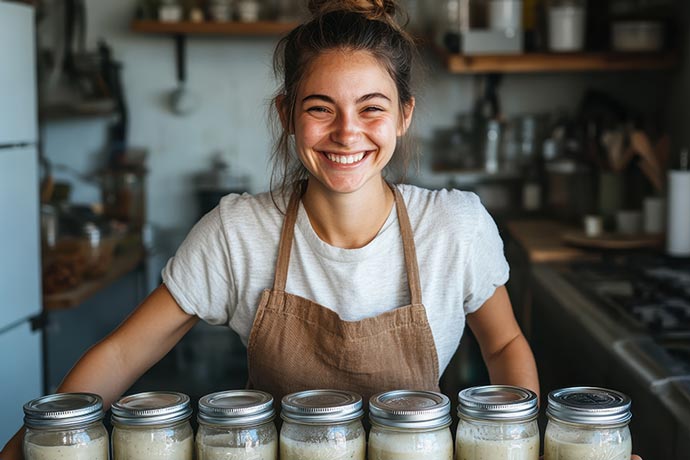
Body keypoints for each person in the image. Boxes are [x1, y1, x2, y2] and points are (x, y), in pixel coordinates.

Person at [1, 1, 642, 459]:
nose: (346, 134)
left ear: (403, 117)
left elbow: (503, 347)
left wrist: (518, 442)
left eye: (372, 109)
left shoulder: (454, 226)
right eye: (320, 109)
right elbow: (120, 354)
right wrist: (34, 442)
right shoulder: (237, 233)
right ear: (287, 115)